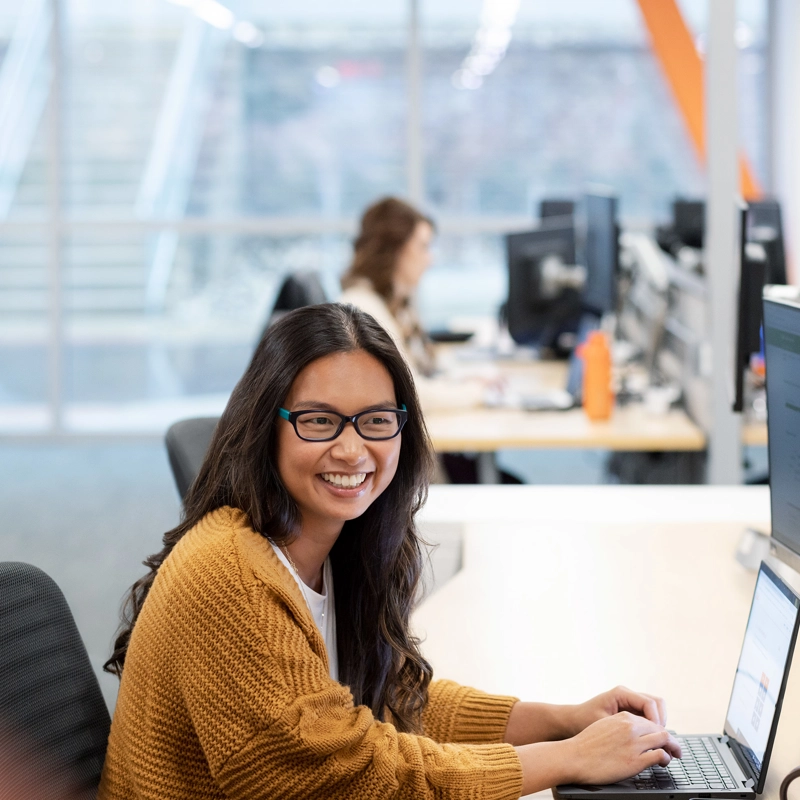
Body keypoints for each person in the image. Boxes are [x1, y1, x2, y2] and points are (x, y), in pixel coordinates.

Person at [99, 304, 680, 800]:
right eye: (319, 421)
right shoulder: (228, 573)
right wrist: (567, 760)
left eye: (376, 420)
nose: (353, 450)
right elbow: (349, 777)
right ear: (265, 426)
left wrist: (563, 722)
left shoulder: (329, 545)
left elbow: (394, 698)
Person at [340, 196, 488, 412]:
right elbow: (412, 395)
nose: (430, 259)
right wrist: (476, 392)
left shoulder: (391, 302)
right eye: (423, 247)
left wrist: (463, 377)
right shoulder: (362, 309)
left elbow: (423, 366)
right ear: (396, 250)